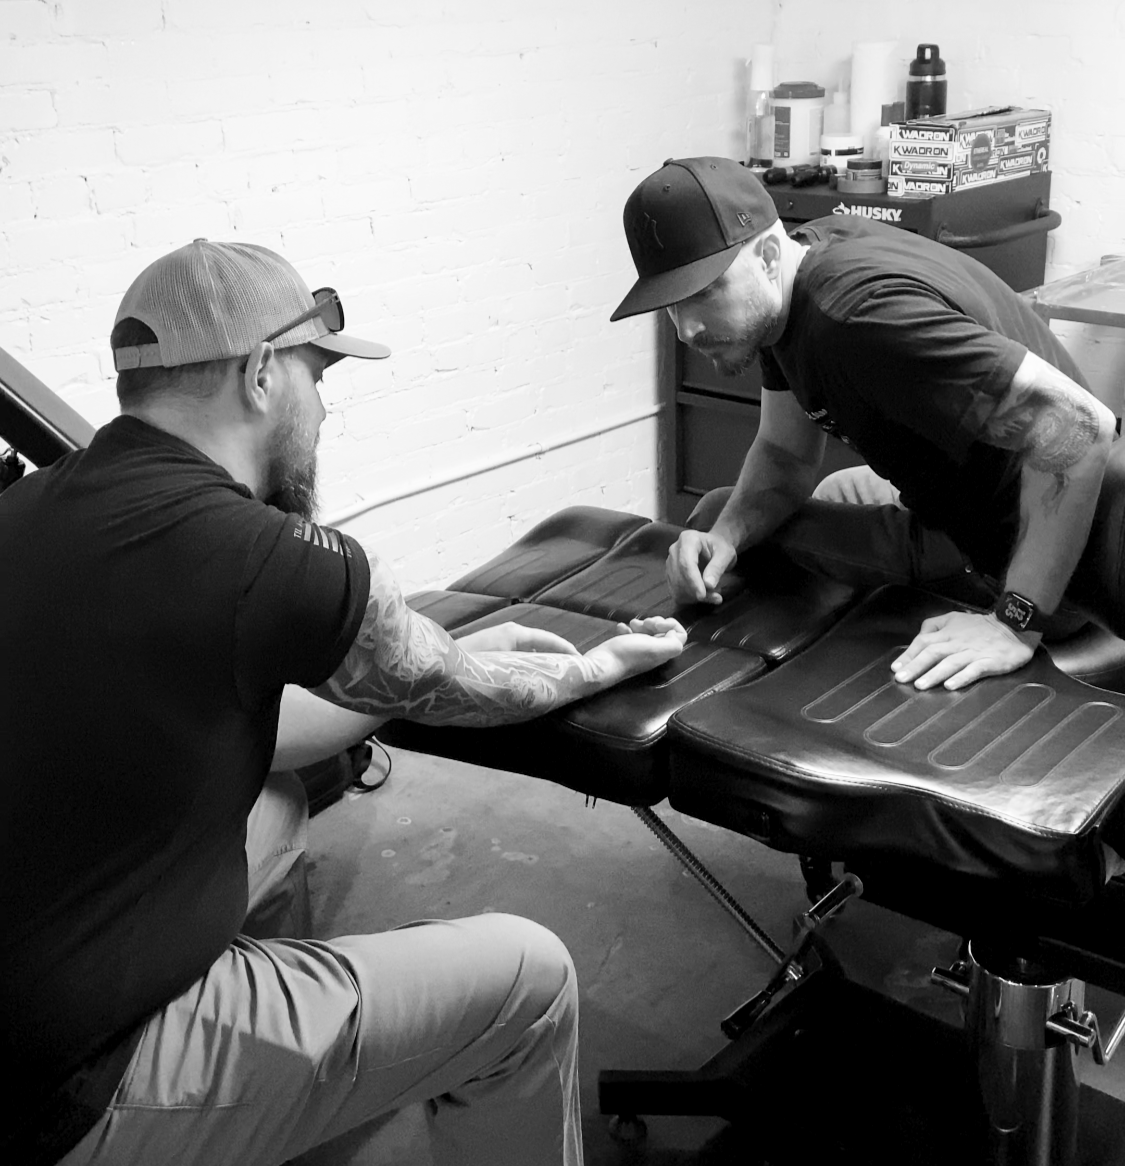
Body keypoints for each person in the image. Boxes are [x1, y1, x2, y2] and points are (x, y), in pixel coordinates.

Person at [0, 238, 687, 1166]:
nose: (322, 406)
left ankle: (272, 1116)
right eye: (317, 375)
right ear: (258, 377)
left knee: (276, 812)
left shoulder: (32, 511)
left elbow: (273, 720)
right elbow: (455, 690)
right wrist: (600, 664)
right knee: (529, 980)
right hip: (73, 1089)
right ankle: (201, 1101)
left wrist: (434, 663)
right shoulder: (265, 557)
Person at [610, 155, 1125, 693]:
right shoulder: (791, 278)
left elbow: (1079, 426)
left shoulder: (857, 320)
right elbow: (785, 456)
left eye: (704, 292)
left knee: (731, 512)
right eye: (671, 304)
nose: (688, 327)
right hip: (963, 504)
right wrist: (725, 538)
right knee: (736, 517)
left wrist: (1014, 624)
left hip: (1039, 559)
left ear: (764, 256)